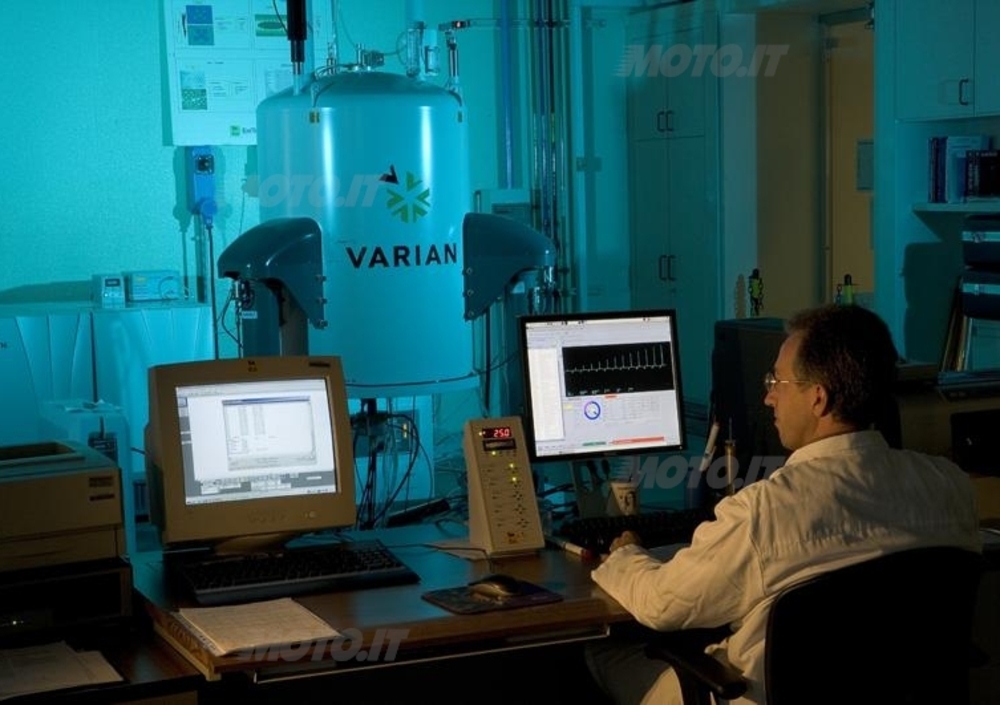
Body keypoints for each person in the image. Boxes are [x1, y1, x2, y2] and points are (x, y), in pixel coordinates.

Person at [585, 304, 982, 705]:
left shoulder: (765, 512)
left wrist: (625, 556)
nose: (768, 396)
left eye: (777, 381)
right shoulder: (949, 486)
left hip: (747, 696)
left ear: (818, 399)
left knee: (595, 653)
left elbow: (662, 604)